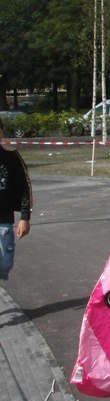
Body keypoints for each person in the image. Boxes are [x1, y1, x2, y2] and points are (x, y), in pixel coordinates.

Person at [0, 120, 31, 281]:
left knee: (4, 264)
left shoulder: (11, 159)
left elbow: (25, 187)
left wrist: (25, 217)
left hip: (3, 220)